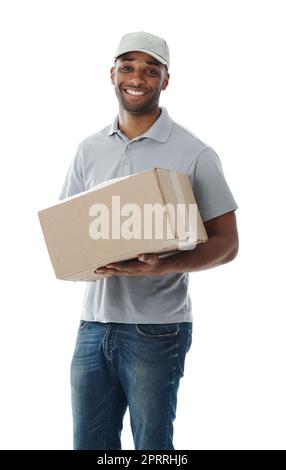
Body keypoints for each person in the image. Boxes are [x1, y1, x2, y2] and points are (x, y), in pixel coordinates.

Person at [59, 31, 239, 450]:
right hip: (93, 324)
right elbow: (70, 231)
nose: (137, 77)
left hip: (155, 329)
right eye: (128, 67)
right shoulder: (89, 150)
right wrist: (84, 264)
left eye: (150, 69)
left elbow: (228, 243)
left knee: (152, 449)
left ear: (165, 80)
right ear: (112, 74)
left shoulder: (194, 153)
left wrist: (166, 263)